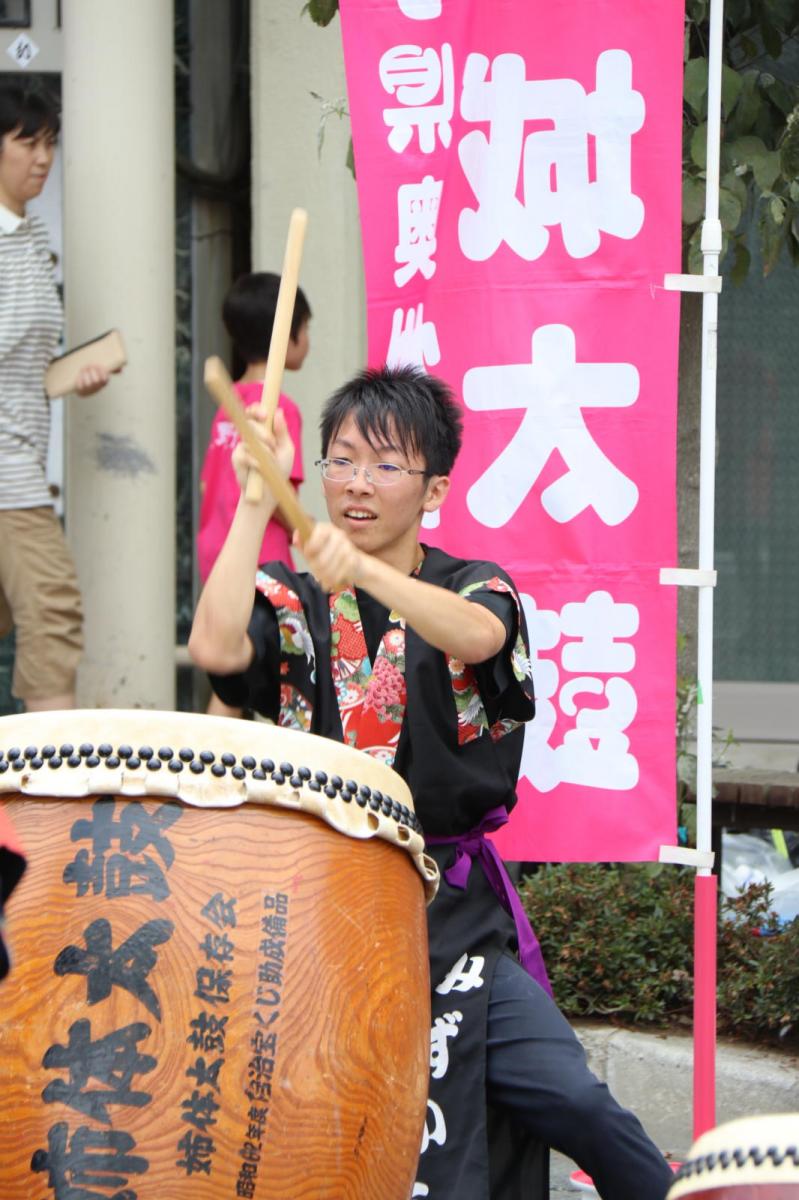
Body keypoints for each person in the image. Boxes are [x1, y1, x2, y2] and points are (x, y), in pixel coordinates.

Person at [189, 365, 675, 1200]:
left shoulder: (471, 584)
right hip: (319, 922)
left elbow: (481, 639)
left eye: (384, 466)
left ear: (435, 487)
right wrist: (255, 505)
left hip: (452, 921)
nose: (355, 485)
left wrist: (367, 573)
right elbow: (217, 650)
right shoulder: (292, 598)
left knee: (573, 1098)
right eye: (339, 462)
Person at [0, 81, 111, 712]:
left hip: (22, 455)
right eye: (26, 142)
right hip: (8, 472)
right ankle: (48, 792)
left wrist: (74, 374)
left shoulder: (31, 238)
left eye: (49, 144)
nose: (42, 158)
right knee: (53, 609)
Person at [196, 270, 310, 717]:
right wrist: (309, 528)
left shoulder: (230, 404)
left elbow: (208, 483)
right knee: (278, 667)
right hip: (263, 555)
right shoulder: (280, 407)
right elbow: (279, 494)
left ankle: (204, 767)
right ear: (292, 334)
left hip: (218, 549)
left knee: (229, 674)